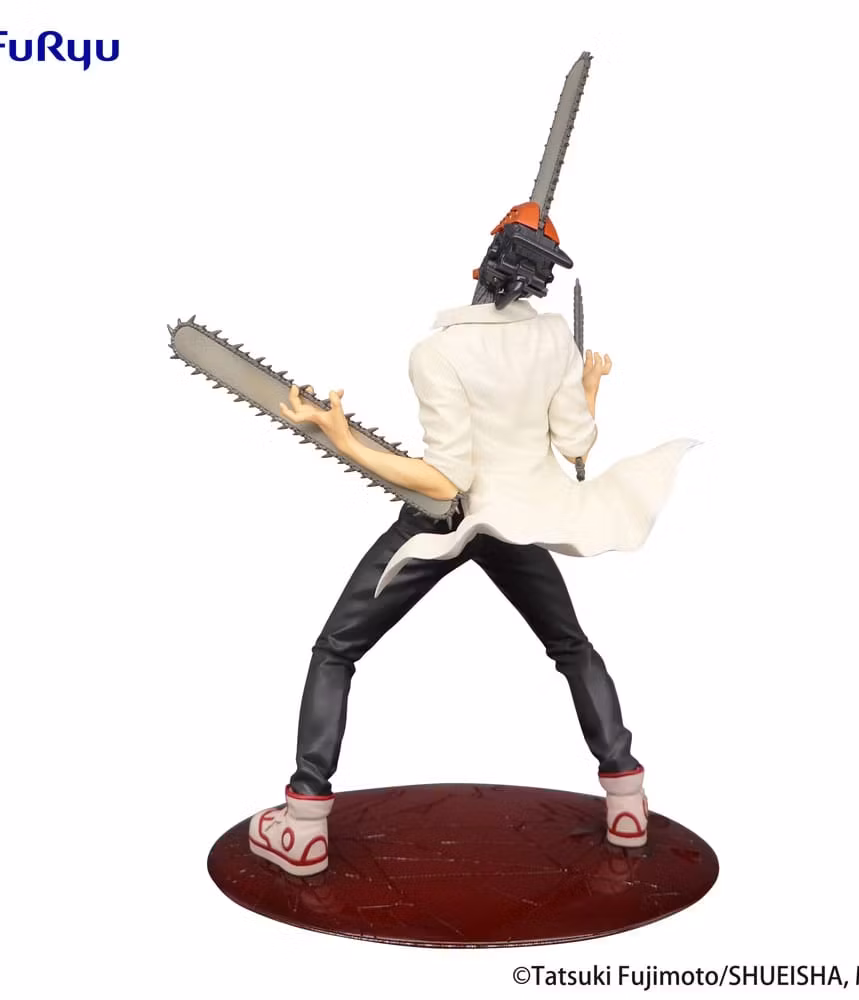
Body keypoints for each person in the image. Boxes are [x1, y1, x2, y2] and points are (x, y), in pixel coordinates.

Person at [247, 218, 694, 877]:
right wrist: (587, 386)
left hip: (448, 519)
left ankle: (305, 821)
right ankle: (626, 799)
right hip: (514, 519)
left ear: (483, 268)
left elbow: (446, 480)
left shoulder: (439, 352)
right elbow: (576, 445)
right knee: (571, 647)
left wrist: (345, 442)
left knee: (336, 649)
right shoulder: (553, 338)